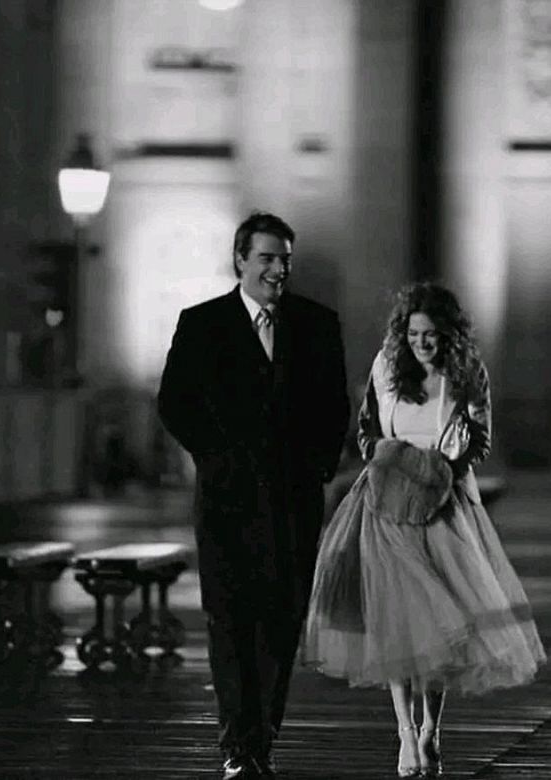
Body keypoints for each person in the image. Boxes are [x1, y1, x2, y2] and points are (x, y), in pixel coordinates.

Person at [305, 282, 545, 778]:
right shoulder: (386, 367)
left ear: (448, 335)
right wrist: (388, 460)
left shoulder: (467, 374)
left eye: (431, 334)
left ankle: (431, 730)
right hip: (385, 505)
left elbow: (480, 440)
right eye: (413, 334)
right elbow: (368, 430)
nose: (421, 343)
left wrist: (447, 462)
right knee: (394, 619)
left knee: (440, 625)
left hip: (443, 505)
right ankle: (404, 732)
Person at [158, 211, 350, 779]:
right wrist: (215, 458)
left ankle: (261, 738)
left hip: (294, 501)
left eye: (285, 259)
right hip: (226, 501)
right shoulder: (202, 324)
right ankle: (237, 746)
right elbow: (174, 403)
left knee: (281, 621)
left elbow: (335, 406)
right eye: (267, 258)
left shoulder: (318, 324)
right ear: (240, 260)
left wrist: (317, 468)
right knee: (229, 619)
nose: (278, 270)